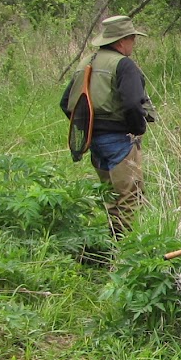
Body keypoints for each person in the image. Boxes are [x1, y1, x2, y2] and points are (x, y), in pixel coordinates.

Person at [61, 14, 155, 239]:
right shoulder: (124, 65)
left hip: (93, 140)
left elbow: (66, 103)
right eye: (132, 38)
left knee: (111, 198)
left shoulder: (86, 63)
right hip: (120, 139)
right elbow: (133, 103)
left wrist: (91, 126)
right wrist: (137, 129)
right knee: (130, 198)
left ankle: (109, 246)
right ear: (122, 40)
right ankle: (124, 251)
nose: (133, 43)